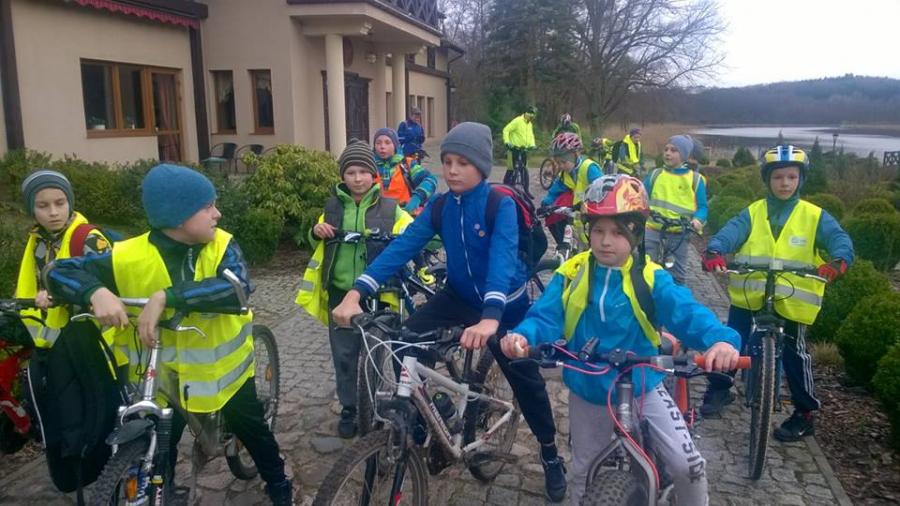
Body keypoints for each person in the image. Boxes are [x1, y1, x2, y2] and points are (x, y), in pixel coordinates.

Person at [332, 122, 568, 502]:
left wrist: (491, 317)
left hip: (505, 304)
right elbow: (403, 246)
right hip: (458, 295)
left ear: (482, 166)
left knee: (525, 378)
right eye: (447, 162)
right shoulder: (442, 205)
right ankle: (423, 415)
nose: (452, 170)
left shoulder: (499, 204)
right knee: (405, 341)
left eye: (463, 163)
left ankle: (550, 452)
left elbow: (502, 260)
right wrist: (357, 291)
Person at [46, 164, 294, 505]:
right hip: (161, 379)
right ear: (178, 217)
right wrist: (95, 292)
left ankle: (278, 483)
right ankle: (165, 491)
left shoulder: (221, 246)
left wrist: (168, 296)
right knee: (163, 441)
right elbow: (57, 271)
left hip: (223, 376)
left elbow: (237, 288)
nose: (217, 214)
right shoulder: (127, 255)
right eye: (207, 207)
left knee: (252, 428)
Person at [500, 174, 741, 505]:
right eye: (598, 230)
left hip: (643, 384)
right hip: (589, 389)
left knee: (689, 466)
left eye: (617, 232)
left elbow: (687, 313)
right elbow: (546, 315)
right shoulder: (571, 273)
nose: (605, 241)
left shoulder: (650, 277)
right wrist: (523, 336)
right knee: (582, 472)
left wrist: (721, 340)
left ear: (636, 234)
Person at [700, 145, 854, 442]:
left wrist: (839, 259)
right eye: (778, 177)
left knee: (796, 354)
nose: (785, 183)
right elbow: (731, 231)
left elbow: (838, 238)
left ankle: (805, 413)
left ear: (800, 179)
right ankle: (720, 388)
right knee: (732, 339)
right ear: (767, 180)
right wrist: (715, 249)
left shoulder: (814, 215)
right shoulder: (753, 212)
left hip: (792, 301)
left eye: (791, 177)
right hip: (749, 294)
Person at [296, 140, 413, 439]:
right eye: (351, 172)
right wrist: (316, 232)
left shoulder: (390, 208)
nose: (357, 178)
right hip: (340, 292)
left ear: (373, 175)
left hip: (378, 294)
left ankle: (371, 403)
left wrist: (401, 235)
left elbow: (411, 232)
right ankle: (349, 407)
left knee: (374, 352)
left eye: (363, 172)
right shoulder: (333, 208)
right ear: (342, 176)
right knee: (344, 354)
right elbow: (315, 240)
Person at [15, 169, 112, 348]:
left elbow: (110, 289)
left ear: (70, 202)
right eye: (42, 206)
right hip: (52, 340)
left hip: (91, 341)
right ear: (31, 209)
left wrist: (57, 293)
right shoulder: (37, 240)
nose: (53, 212)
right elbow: (34, 281)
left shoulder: (89, 239)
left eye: (60, 203)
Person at [643, 135, 709, 284]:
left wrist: (698, 220)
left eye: (674, 150)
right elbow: (641, 197)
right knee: (646, 270)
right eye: (666, 149)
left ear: (684, 155)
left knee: (676, 275)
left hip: (679, 234)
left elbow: (703, 207)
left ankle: (674, 296)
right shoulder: (656, 175)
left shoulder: (695, 179)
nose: (667, 153)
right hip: (653, 230)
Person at [540, 132, 602, 246]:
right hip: (577, 215)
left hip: (593, 214)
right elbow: (554, 191)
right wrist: (545, 204)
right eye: (558, 163)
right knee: (554, 215)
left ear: (576, 154)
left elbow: (603, 191)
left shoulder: (589, 168)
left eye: (563, 162)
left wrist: (590, 205)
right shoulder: (565, 174)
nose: (561, 166)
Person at [373, 127, 437, 214]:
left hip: (405, 215)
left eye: (387, 143)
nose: (382, 146)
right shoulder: (369, 167)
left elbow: (431, 180)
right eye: (378, 143)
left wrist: (418, 197)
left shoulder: (407, 164)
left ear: (395, 145)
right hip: (377, 216)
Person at [502, 106, 538, 195]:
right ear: (526, 113)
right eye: (530, 116)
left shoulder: (529, 124)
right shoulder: (517, 121)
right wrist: (507, 142)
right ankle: (504, 189)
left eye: (533, 116)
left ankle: (526, 190)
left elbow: (531, 136)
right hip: (513, 148)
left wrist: (532, 145)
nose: (531, 118)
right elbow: (506, 130)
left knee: (524, 170)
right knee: (510, 169)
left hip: (523, 149)